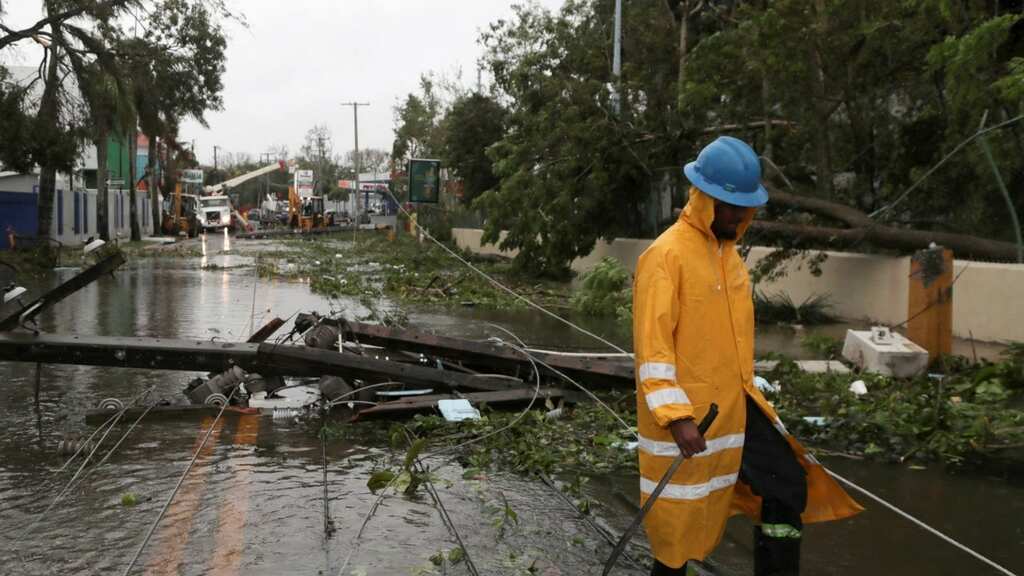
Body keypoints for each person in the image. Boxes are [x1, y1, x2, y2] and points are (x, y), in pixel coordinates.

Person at [632, 136, 863, 575]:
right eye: (729, 205)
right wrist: (677, 416)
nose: (738, 215)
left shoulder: (731, 259)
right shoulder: (665, 256)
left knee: (786, 484)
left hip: (737, 406)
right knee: (678, 527)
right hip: (689, 415)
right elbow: (652, 348)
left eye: (744, 207)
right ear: (703, 198)